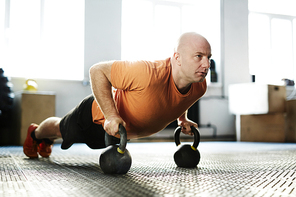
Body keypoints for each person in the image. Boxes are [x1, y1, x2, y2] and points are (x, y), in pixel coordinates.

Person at [23, 32, 212, 158]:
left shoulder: (199, 85)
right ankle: (36, 133)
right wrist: (111, 115)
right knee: (60, 130)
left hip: (119, 134)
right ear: (177, 57)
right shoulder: (147, 73)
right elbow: (97, 71)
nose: (206, 65)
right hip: (97, 116)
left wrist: (182, 119)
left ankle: (44, 137)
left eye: (208, 58)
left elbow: (181, 99)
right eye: (199, 56)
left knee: (68, 135)